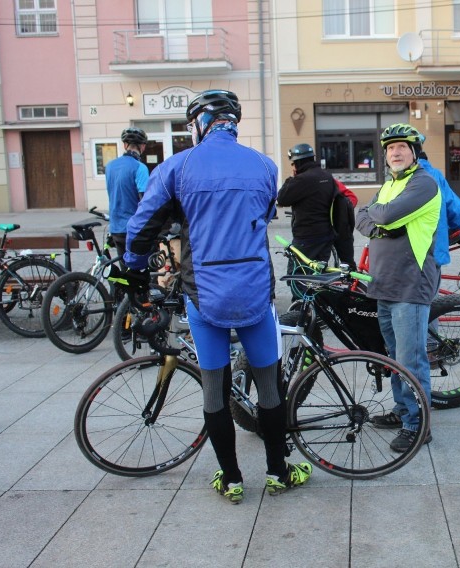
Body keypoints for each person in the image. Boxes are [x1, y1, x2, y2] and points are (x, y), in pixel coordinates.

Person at [120, 89, 312, 503]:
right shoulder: (265, 165)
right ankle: (278, 471)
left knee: (214, 391)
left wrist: (135, 268)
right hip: (255, 294)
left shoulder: (178, 165)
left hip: (204, 295)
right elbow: (260, 216)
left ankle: (231, 479)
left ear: (200, 123)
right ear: (232, 122)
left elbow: (141, 228)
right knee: (270, 389)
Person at [356, 123, 441, 453]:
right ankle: (403, 409)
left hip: (409, 285)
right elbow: (362, 217)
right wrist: (378, 219)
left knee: (411, 359)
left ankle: (417, 425)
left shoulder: (423, 184)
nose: (395, 152)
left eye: (402, 147)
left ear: (414, 151)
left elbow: (385, 215)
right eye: (390, 148)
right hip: (383, 284)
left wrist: (379, 217)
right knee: (394, 357)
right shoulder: (389, 184)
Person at [277, 143, 353, 269]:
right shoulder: (327, 176)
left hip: (306, 237)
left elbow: (282, 199)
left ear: (298, 163)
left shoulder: (301, 180)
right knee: (319, 274)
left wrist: (291, 178)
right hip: (326, 236)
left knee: (298, 278)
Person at [416, 135, 460, 267]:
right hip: (434, 247)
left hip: (406, 253)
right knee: (431, 284)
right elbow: (455, 207)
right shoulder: (435, 175)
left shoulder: (398, 179)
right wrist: (458, 227)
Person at [105, 127, 149, 260]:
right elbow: (146, 200)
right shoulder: (140, 168)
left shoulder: (109, 166)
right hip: (133, 228)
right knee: (140, 271)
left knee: (125, 272)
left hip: (115, 227)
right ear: (143, 146)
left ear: (124, 145)